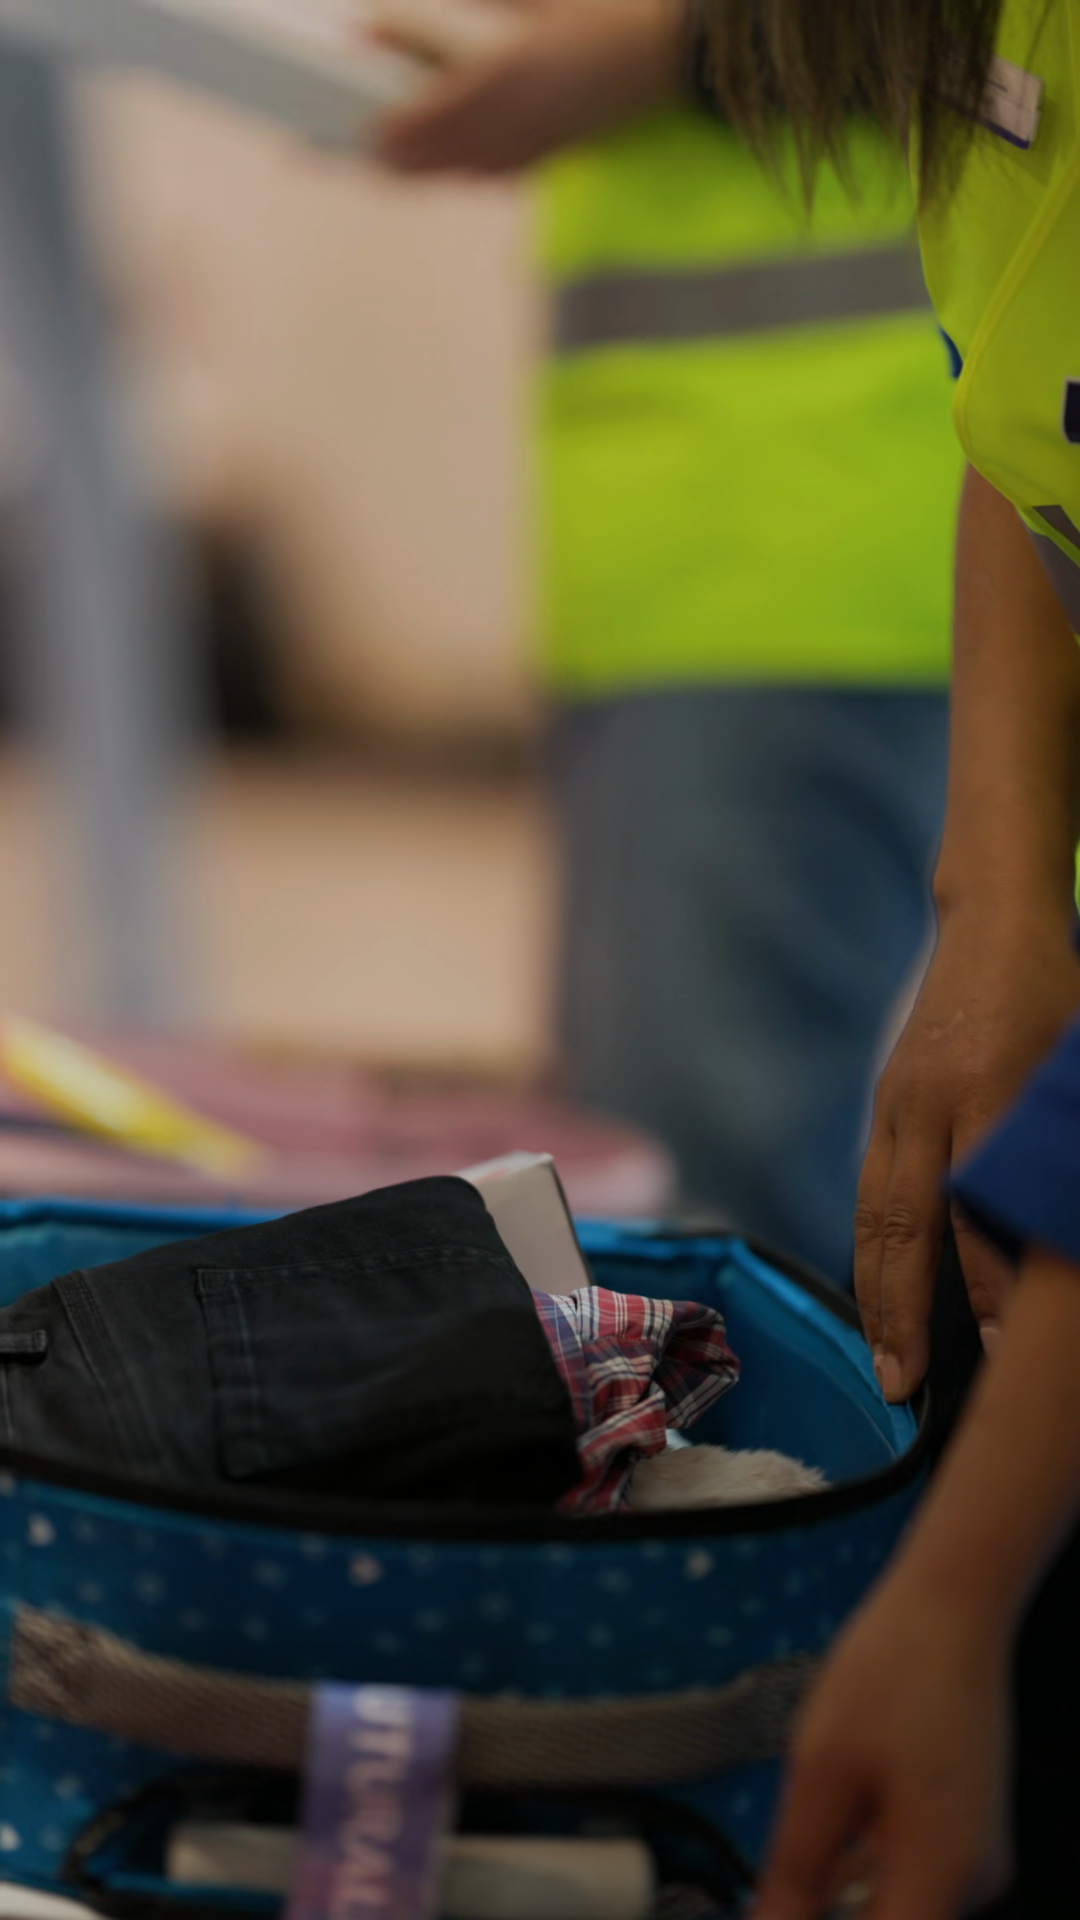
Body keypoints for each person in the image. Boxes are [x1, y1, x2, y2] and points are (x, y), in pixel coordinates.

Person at [378, 1, 1080, 1910]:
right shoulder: (1006, 84)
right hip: (758, 579)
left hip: (788, 566)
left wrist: (944, 1610)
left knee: (776, 1300)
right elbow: (1019, 436)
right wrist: (997, 896)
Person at [378, 0, 960, 1285]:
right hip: (706, 550)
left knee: (698, 1248)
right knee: (653, 1213)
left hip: (822, 530)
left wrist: (664, 47)